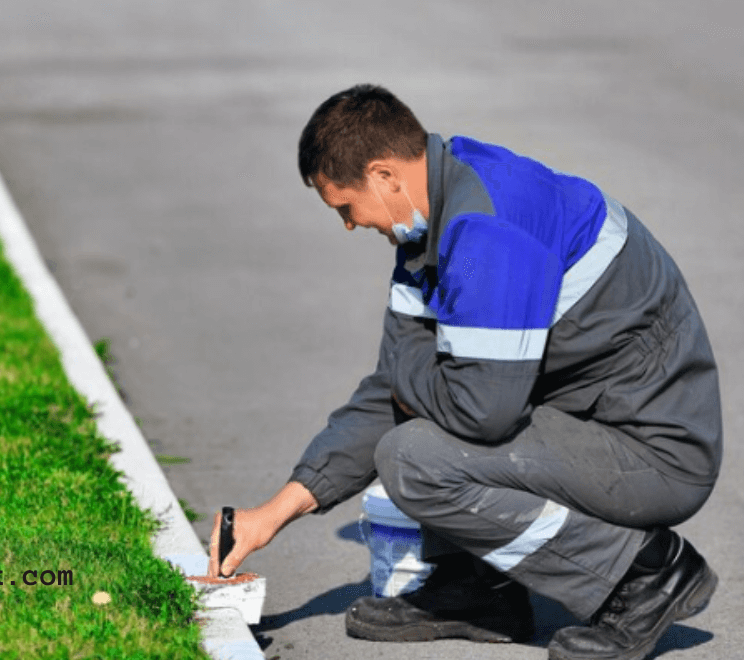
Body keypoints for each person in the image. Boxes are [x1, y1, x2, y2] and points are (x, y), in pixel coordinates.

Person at [208, 84, 723, 660]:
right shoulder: (436, 218)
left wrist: (414, 377)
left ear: (384, 175)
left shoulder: (486, 235)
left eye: (345, 207)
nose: (349, 225)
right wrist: (271, 515)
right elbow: (392, 387)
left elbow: (481, 412)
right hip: (590, 424)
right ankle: (483, 594)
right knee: (420, 414)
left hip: (655, 453)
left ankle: (646, 574)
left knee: (416, 456)